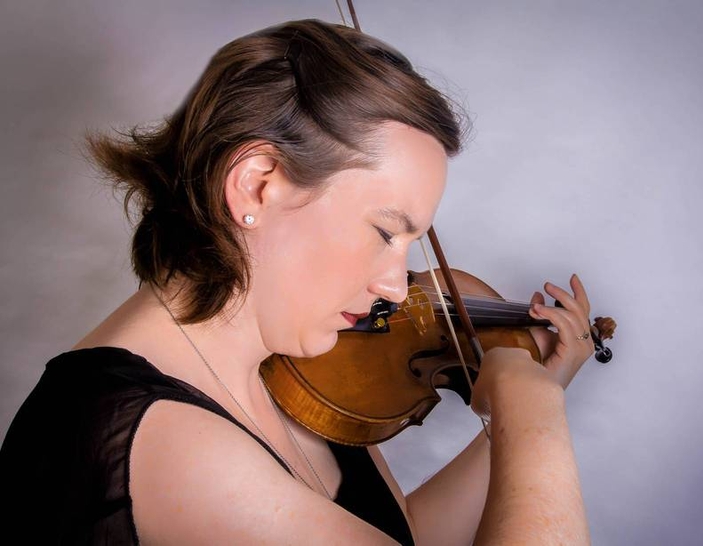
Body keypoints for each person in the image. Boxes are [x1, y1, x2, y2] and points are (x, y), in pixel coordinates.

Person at [0, 19, 596, 545]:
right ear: (256, 184)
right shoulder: (166, 443)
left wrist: (536, 395)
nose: (396, 286)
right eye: (386, 232)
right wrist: (533, 411)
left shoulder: (289, 368)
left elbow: (403, 534)